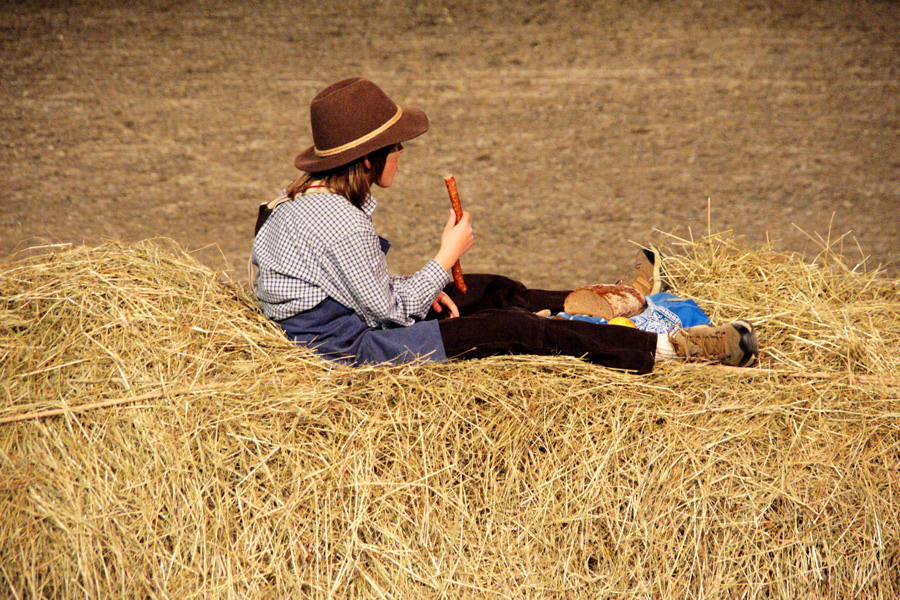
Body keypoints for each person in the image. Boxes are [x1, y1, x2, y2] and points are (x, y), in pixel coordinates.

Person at [251, 78, 758, 374]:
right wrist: (445, 256)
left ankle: (625, 299)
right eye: (397, 146)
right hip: (353, 352)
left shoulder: (302, 201)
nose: (402, 155)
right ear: (369, 159)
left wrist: (434, 282)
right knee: (512, 328)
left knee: (493, 289)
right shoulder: (339, 222)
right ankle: (672, 350)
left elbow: (366, 292)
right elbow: (387, 314)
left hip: (351, 323)